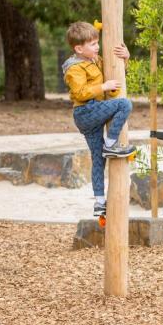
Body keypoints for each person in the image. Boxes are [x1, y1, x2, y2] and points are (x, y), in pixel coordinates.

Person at [62, 21, 136, 219]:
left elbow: (114, 72)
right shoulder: (74, 68)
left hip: (93, 111)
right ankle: (111, 144)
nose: (97, 47)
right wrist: (103, 87)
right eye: (93, 44)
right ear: (79, 48)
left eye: (97, 42)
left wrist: (125, 58)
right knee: (124, 105)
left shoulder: (94, 60)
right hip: (86, 111)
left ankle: (99, 203)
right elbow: (79, 92)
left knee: (98, 159)